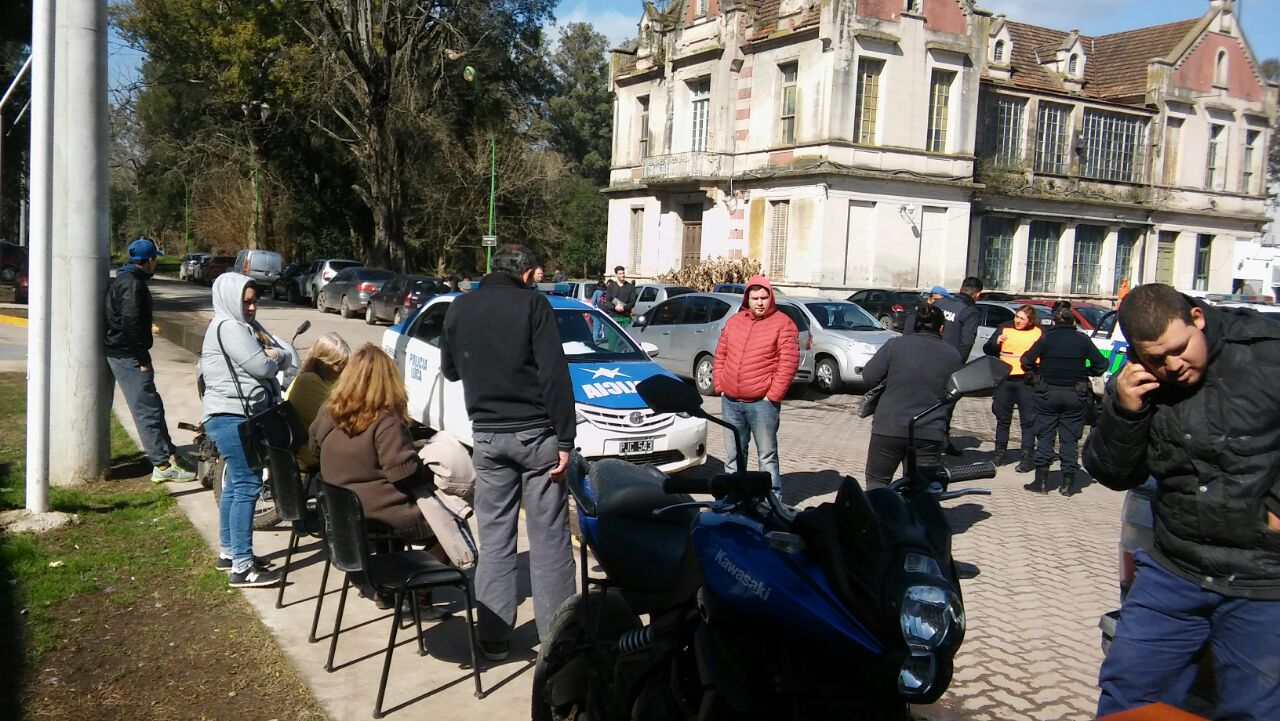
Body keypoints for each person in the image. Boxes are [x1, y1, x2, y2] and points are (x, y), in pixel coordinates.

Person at [1084, 284, 1280, 720]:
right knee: (1128, 691)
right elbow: (1112, 473)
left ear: (1197, 318)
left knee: (1254, 710)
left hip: (1264, 581)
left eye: (1179, 349)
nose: (1173, 365)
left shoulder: (1267, 354)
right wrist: (1126, 409)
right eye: (1156, 357)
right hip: (1175, 570)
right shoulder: (1140, 379)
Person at [439, 243, 578, 662]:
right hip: (536, 436)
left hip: (487, 436)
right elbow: (554, 375)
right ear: (525, 273)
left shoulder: (460, 308)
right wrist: (566, 440)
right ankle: (557, 640)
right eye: (535, 273)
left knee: (495, 538)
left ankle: (494, 638)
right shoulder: (533, 306)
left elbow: (450, 369)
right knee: (550, 538)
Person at [310, 344, 448, 614]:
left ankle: (386, 592)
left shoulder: (329, 412)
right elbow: (403, 473)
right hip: (381, 512)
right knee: (449, 523)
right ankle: (417, 598)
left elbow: (314, 448)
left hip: (342, 513)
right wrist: (427, 470)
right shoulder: (386, 422)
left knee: (397, 516)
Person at [199, 273, 297, 587]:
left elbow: (277, 356)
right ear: (231, 300)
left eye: (255, 301)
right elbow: (264, 366)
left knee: (235, 486)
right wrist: (276, 357)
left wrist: (274, 353)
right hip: (233, 418)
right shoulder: (230, 327)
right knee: (246, 485)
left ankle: (229, 553)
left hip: (230, 416)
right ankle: (242, 568)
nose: (253, 308)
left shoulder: (236, 325)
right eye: (246, 302)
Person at [105, 238, 195, 483]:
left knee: (153, 406)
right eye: (155, 259)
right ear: (149, 261)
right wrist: (142, 358)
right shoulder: (133, 285)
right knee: (146, 411)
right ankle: (162, 465)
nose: (156, 264)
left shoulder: (126, 279)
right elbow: (130, 323)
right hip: (128, 356)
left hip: (125, 353)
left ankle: (168, 454)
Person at [712, 275, 800, 492]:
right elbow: (721, 353)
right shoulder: (735, 321)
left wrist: (773, 394)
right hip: (731, 401)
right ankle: (733, 498)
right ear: (747, 299)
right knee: (734, 456)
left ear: (771, 298)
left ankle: (771, 503)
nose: (760, 302)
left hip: (762, 404)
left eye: (764, 297)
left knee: (767, 456)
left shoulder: (783, 324)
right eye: (755, 298)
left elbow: (788, 362)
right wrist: (720, 385)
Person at [860, 304, 963, 489]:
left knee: (877, 482)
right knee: (922, 489)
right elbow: (956, 393)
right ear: (941, 328)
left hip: (890, 427)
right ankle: (915, 516)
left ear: (914, 324)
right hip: (929, 430)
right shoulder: (953, 355)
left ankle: (877, 516)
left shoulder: (895, 345)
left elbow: (869, 377)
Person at [1019, 306, 1106, 495]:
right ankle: (1068, 484)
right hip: (1075, 395)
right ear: (1073, 322)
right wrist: (1085, 373)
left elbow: (1026, 361)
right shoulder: (1083, 340)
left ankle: (1041, 482)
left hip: (1047, 393)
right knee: (1069, 440)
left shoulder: (1046, 338)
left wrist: (1038, 371)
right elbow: (1101, 364)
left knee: (1045, 436)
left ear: (1054, 321)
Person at [983, 304, 1042, 472]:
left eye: (1022, 318)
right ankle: (999, 454)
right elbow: (988, 349)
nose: (1017, 321)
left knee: (1028, 421)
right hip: (1005, 379)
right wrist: (996, 342)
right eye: (1017, 317)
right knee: (1002, 418)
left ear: (1030, 321)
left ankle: (1026, 458)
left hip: (1026, 381)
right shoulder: (1005, 328)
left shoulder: (1038, 332)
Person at [284, 332, 350, 472]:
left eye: (344, 364)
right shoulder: (308, 382)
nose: (342, 370)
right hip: (312, 455)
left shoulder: (327, 379)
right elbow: (335, 419)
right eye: (337, 364)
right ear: (321, 362)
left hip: (324, 449)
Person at [933, 276, 983, 455]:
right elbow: (967, 342)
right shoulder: (970, 311)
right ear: (977, 294)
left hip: (930, 358)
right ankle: (941, 441)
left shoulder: (941, 304)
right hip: (950, 363)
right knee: (946, 403)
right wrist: (959, 364)